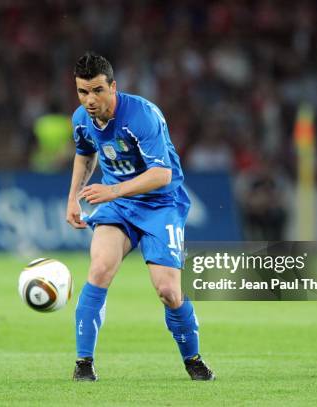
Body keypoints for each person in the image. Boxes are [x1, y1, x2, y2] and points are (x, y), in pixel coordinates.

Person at [65, 52, 214, 381]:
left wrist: (111, 191)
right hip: (119, 206)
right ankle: (83, 364)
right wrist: (73, 198)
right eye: (82, 92)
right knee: (100, 268)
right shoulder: (80, 118)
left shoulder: (143, 116)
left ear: (113, 86)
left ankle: (193, 360)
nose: (90, 100)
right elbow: (84, 154)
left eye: (97, 91)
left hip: (161, 204)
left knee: (168, 292)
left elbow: (161, 175)